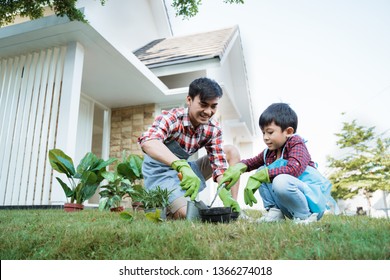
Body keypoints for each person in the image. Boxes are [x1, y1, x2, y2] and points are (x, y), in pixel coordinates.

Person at [138, 77, 241, 219]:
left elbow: (218, 164)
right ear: (189, 100)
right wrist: (180, 166)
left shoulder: (213, 128)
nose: (208, 111)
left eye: (213, 106)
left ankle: (233, 208)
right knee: (188, 215)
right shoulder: (172, 118)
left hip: (187, 171)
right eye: (203, 104)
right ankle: (171, 205)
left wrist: (224, 192)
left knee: (231, 151)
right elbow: (148, 141)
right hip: (160, 174)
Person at [219, 102, 335, 223]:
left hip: (311, 204)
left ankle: (304, 217)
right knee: (261, 170)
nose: (265, 137)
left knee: (275, 178)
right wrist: (238, 168)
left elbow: (293, 169)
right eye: (263, 132)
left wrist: (261, 176)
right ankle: (275, 213)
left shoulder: (297, 144)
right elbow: (251, 162)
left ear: (288, 131)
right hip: (289, 205)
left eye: (270, 132)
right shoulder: (270, 152)